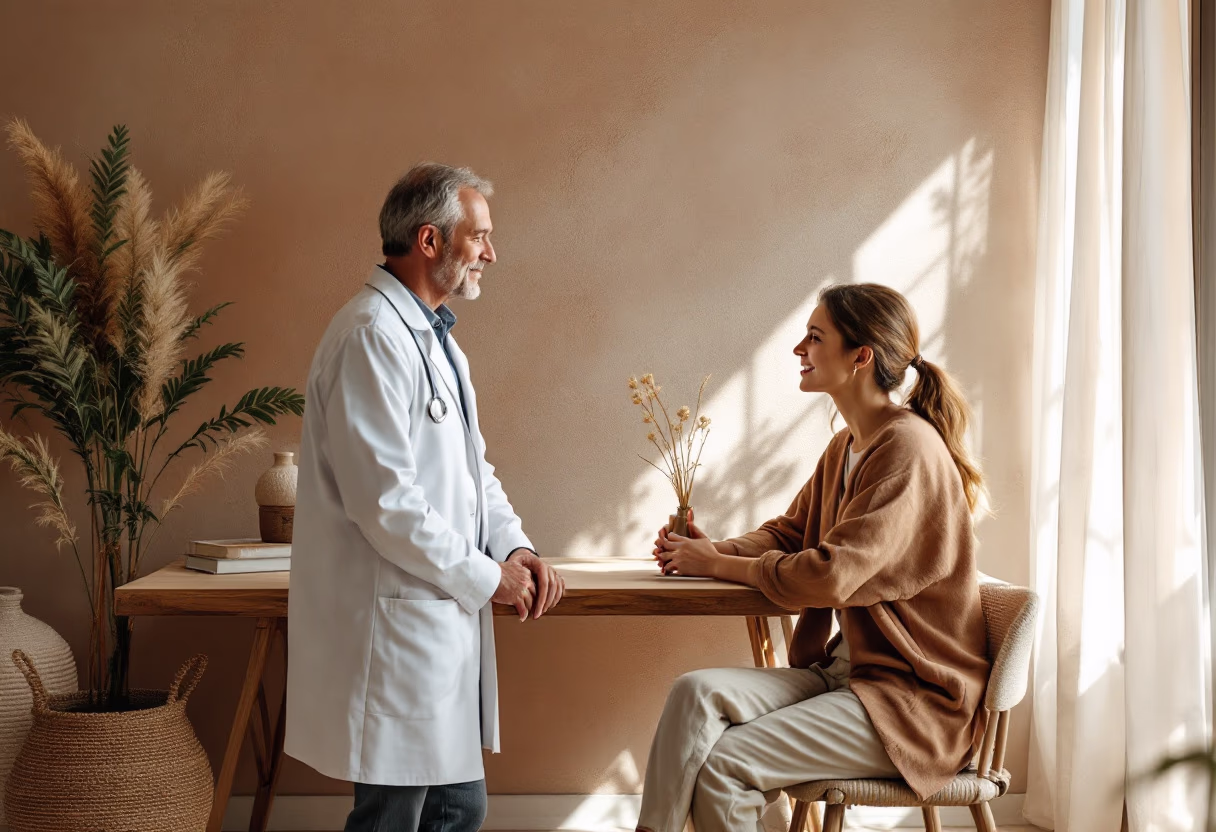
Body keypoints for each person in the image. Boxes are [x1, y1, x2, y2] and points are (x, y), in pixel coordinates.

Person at [638, 283, 991, 832]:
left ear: (860, 357)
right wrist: (711, 551)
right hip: (846, 676)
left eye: (814, 337)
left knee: (727, 764)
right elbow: (789, 534)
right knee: (694, 694)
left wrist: (720, 566)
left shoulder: (908, 449)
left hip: (908, 704)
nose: (798, 349)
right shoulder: (847, 446)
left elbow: (832, 574)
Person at [285, 163, 564, 832]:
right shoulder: (371, 336)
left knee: (457, 807)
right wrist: (484, 576)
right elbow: (385, 502)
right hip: (393, 629)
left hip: (433, 625)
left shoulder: (436, 342)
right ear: (430, 240)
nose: (492, 254)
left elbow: (474, 473)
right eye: (481, 237)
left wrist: (515, 547)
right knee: (397, 814)